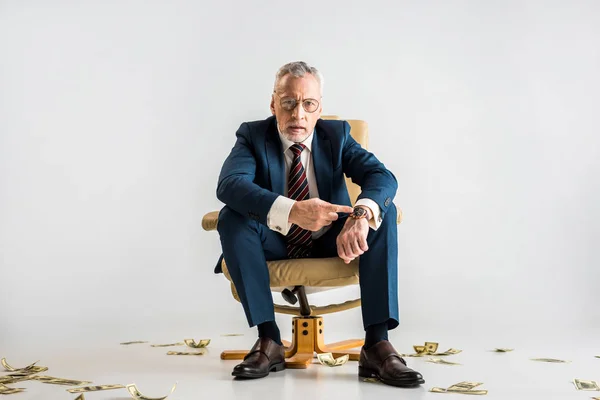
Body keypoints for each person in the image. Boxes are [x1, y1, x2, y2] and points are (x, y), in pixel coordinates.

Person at [214, 61, 424, 388]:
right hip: (273, 241)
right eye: (288, 102)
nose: (298, 114)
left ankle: (377, 345)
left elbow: (381, 177)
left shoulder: (336, 135)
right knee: (231, 217)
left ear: (319, 108)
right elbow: (229, 185)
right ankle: (269, 341)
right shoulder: (253, 136)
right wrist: (293, 210)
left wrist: (360, 216)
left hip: (333, 239)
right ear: (273, 105)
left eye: (308, 104)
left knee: (381, 214)